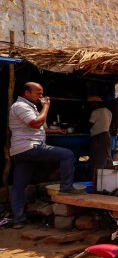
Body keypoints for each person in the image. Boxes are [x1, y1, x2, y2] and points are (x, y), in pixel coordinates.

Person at [9, 82, 78, 229]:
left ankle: (18, 220)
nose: (41, 96)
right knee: (67, 155)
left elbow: (36, 128)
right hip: (30, 148)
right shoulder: (20, 106)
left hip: (21, 150)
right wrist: (46, 106)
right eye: (38, 93)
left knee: (18, 186)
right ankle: (66, 188)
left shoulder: (30, 107)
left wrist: (56, 131)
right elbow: (35, 123)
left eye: (42, 93)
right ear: (26, 93)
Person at [88, 95, 112, 175]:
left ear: (95, 103)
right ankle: (108, 176)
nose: (90, 106)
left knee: (98, 160)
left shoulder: (95, 112)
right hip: (107, 136)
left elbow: (89, 125)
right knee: (107, 158)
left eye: (91, 104)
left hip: (99, 138)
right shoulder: (108, 111)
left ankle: (97, 179)